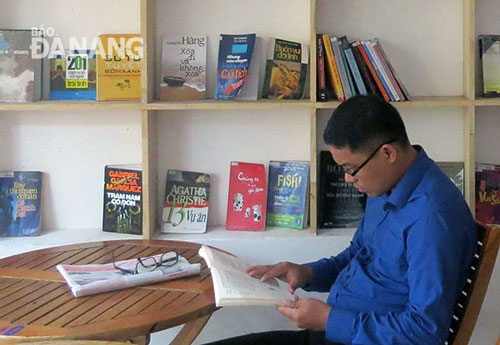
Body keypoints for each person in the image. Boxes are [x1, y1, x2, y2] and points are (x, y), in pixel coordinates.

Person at [206, 95, 477, 345]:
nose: (348, 179)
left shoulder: (433, 220)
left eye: (351, 169)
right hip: (340, 331)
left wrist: (328, 320)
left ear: (388, 153)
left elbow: (424, 331)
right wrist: (306, 273)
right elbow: (358, 254)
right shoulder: (385, 184)